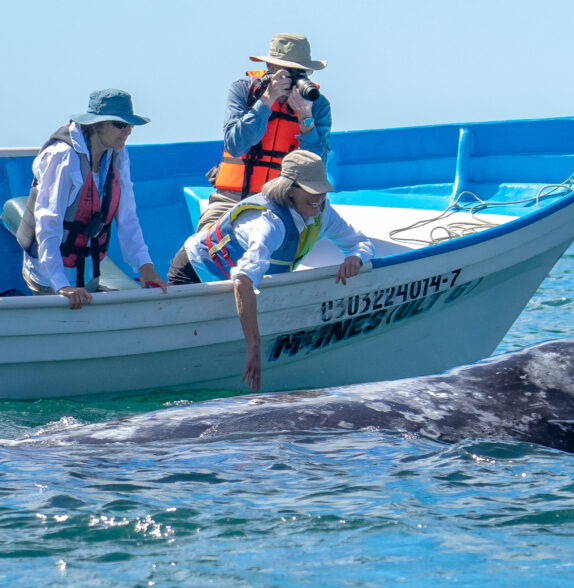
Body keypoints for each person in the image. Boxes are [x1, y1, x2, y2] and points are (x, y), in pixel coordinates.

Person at [167, 150, 374, 393]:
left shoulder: (322, 211)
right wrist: (254, 347)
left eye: (322, 189)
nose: (319, 196)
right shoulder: (267, 222)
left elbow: (361, 242)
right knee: (185, 341)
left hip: (232, 283)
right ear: (290, 189)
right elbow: (243, 282)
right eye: (311, 189)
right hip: (195, 270)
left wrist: (356, 258)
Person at [16, 89, 167, 309]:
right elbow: (48, 223)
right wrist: (60, 285)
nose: (127, 131)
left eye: (130, 125)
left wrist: (144, 265)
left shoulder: (118, 153)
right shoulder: (63, 156)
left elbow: (128, 218)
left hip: (87, 269)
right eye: (119, 125)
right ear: (96, 125)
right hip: (48, 271)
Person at [198, 33, 332, 232]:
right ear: (270, 68)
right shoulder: (243, 90)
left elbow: (316, 168)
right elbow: (235, 146)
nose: (294, 78)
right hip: (232, 200)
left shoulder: (317, 105)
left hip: (286, 204)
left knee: (273, 241)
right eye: (288, 71)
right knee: (204, 246)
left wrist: (306, 119)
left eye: (300, 72)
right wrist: (265, 102)